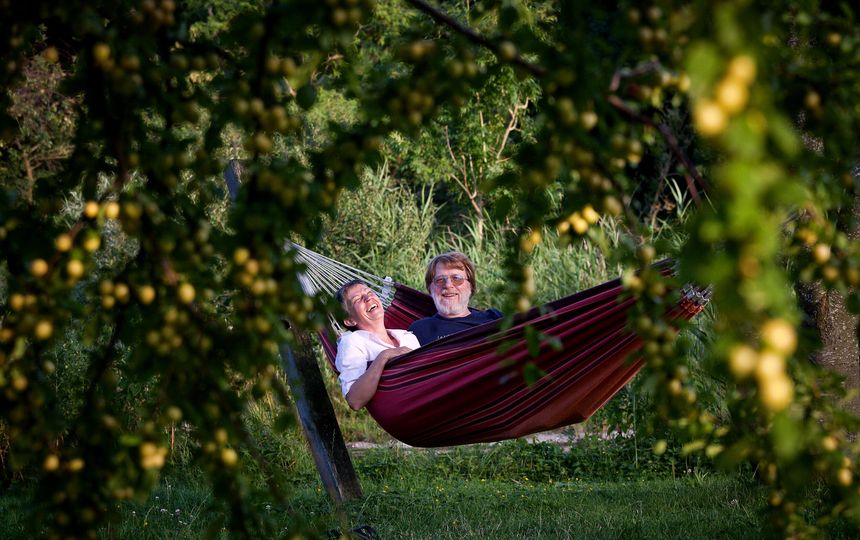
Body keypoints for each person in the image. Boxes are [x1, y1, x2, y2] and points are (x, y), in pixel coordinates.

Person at [334, 279, 420, 410]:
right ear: (350, 321)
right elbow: (355, 400)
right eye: (357, 299)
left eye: (369, 292)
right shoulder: (352, 342)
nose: (367, 298)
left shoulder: (407, 336)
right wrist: (384, 356)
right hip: (406, 410)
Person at [408, 251, 503, 345]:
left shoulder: (495, 319)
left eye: (457, 278)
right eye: (440, 280)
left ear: (471, 286)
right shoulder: (419, 330)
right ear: (430, 288)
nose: (448, 285)